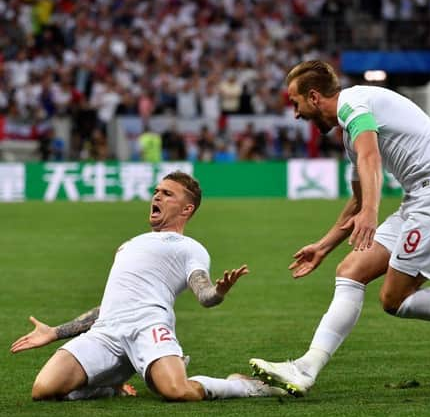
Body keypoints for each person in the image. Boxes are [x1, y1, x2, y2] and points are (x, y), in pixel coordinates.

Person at [249, 60, 430, 396]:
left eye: (295, 104)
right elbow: (356, 198)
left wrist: (371, 210)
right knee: (350, 270)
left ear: (313, 97)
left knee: (394, 298)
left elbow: (371, 160)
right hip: (421, 198)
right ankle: (306, 368)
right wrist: (323, 246)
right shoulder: (350, 131)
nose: (295, 114)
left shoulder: (354, 105)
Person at [22, 171, 285, 401]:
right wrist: (55, 332)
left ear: (186, 210)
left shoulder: (190, 248)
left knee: (177, 392)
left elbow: (204, 295)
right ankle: (110, 388)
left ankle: (240, 386)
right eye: (156, 191)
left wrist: (219, 291)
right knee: (43, 390)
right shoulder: (128, 245)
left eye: (167, 194)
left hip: (149, 327)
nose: (157, 197)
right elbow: (111, 306)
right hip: (107, 331)